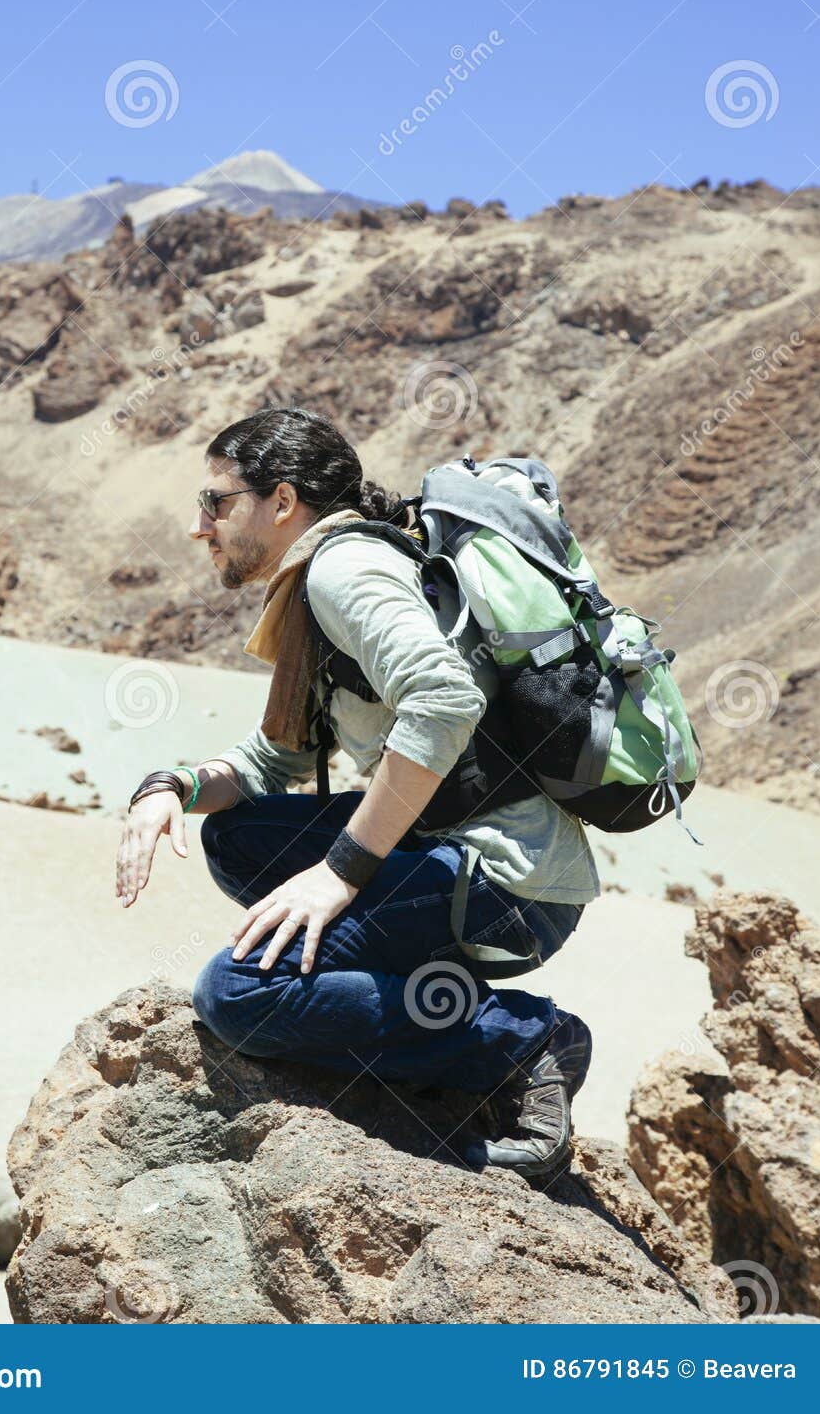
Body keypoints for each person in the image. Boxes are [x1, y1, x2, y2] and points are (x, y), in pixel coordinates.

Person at [116, 408, 598, 1179]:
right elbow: (273, 759)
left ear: (280, 501)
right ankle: (413, 993)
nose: (198, 527)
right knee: (235, 837)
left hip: (510, 886)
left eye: (214, 502)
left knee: (239, 994)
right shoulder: (318, 578)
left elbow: (441, 698)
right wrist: (168, 785)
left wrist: (338, 872)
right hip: (452, 853)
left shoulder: (343, 570)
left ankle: (522, 1038)